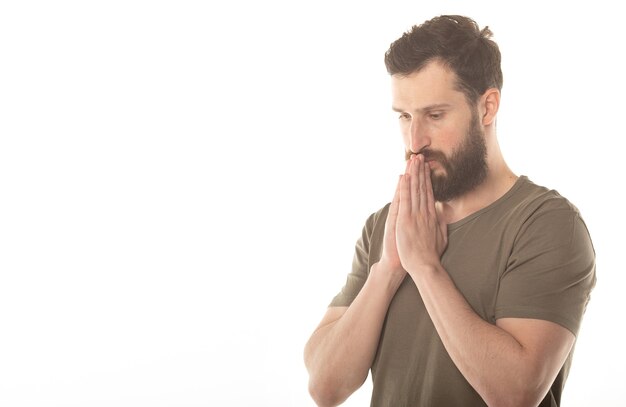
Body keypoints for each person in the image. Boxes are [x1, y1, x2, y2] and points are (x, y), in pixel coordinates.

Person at [303, 15, 596, 407]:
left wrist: (425, 267)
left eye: (435, 115)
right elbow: (325, 387)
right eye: (404, 116)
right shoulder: (387, 223)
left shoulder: (546, 224)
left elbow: (516, 394)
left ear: (487, 107)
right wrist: (389, 269)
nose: (415, 140)